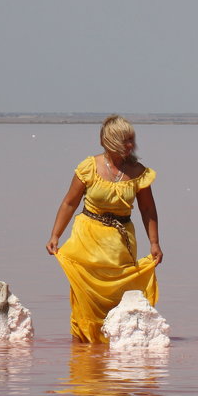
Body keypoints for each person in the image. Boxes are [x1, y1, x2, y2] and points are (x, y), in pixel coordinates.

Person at [46, 115, 163, 342]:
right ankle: (85, 350)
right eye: (125, 141)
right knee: (86, 296)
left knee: (119, 294)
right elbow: (69, 202)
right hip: (87, 237)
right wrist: (55, 235)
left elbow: (148, 209)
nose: (131, 145)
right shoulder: (89, 167)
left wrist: (155, 242)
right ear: (110, 142)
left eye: (131, 140)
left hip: (120, 241)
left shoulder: (138, 172)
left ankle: (113, 342)